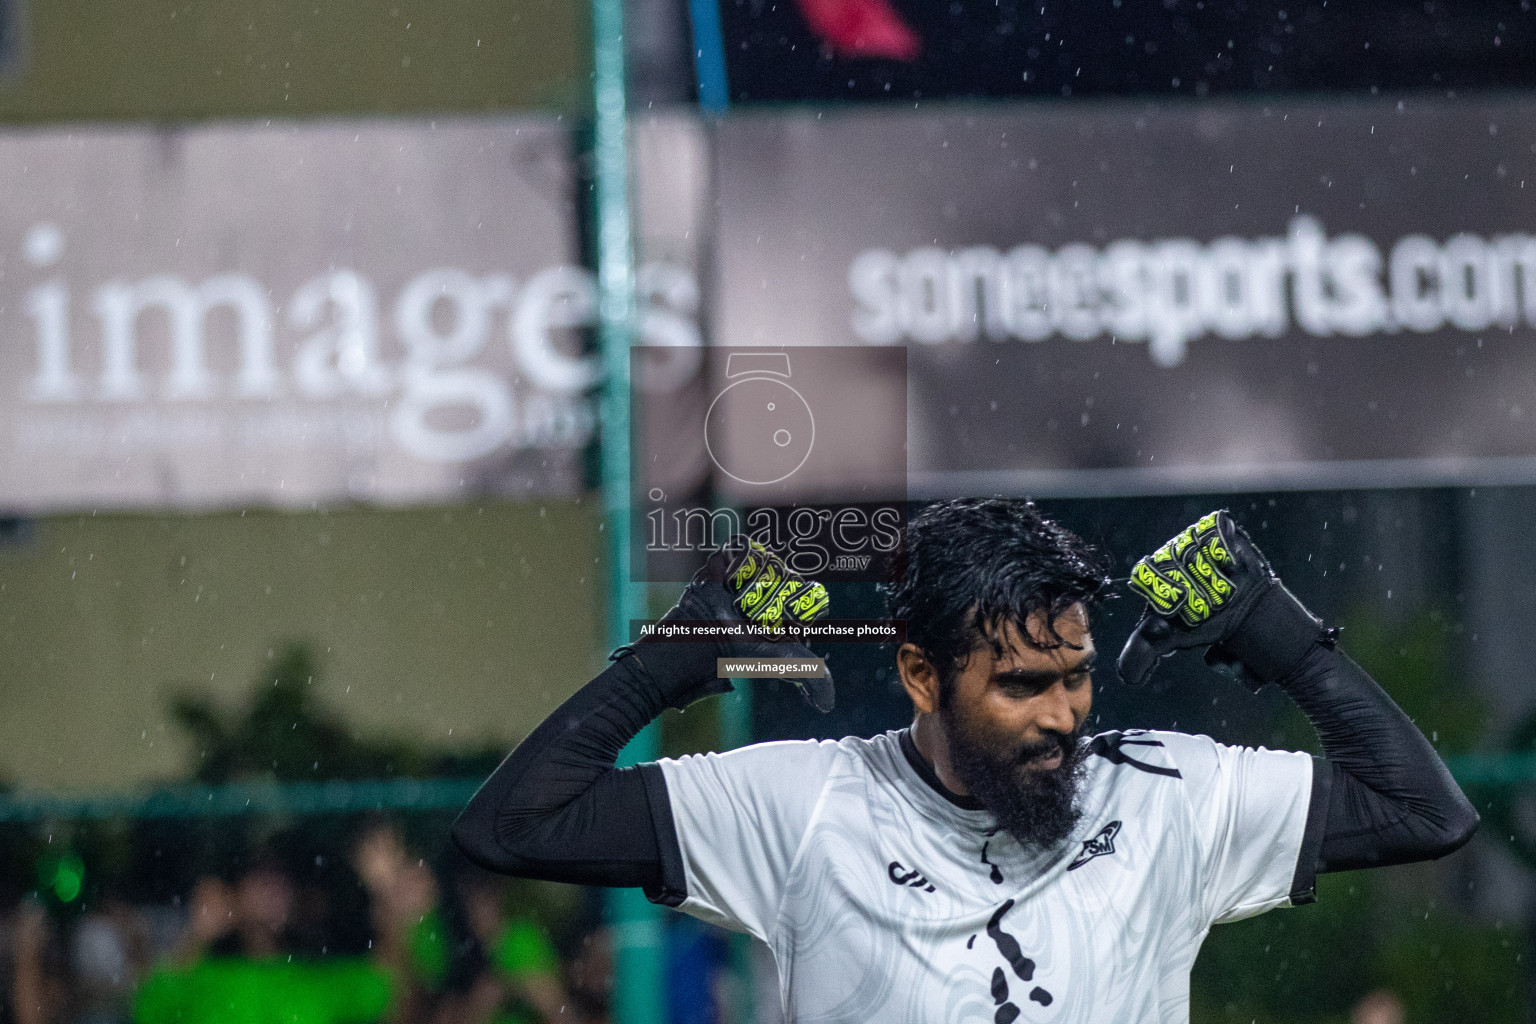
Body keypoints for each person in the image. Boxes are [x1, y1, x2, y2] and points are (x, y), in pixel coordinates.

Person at [451, 499, 1478, 1023]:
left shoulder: (1171, 793)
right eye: (1023, 683)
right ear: (920, 674)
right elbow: (515, 824)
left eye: (1075, 675)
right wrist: (674, 659)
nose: (1064, 714)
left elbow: (1424, 811)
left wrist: (1280, 635)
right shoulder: (805, 804)